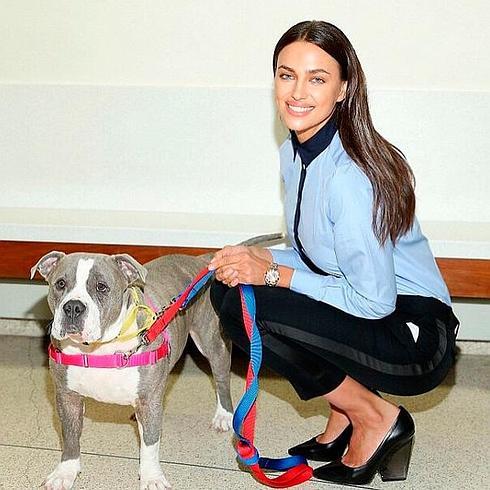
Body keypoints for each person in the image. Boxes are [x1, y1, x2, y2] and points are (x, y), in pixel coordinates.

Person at [208, 20, 458, 486]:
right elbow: (322, 260)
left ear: (343, 89)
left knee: (257, 306)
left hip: (416, 333)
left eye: (317, 78)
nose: (297, 92)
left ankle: (374, 417)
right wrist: (250, 260)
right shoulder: (294, 151)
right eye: (286, 75)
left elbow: (373, 300)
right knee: (232, 295)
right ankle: (344, 412)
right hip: (373, 307)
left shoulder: (351, 176)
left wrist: (271, 275)